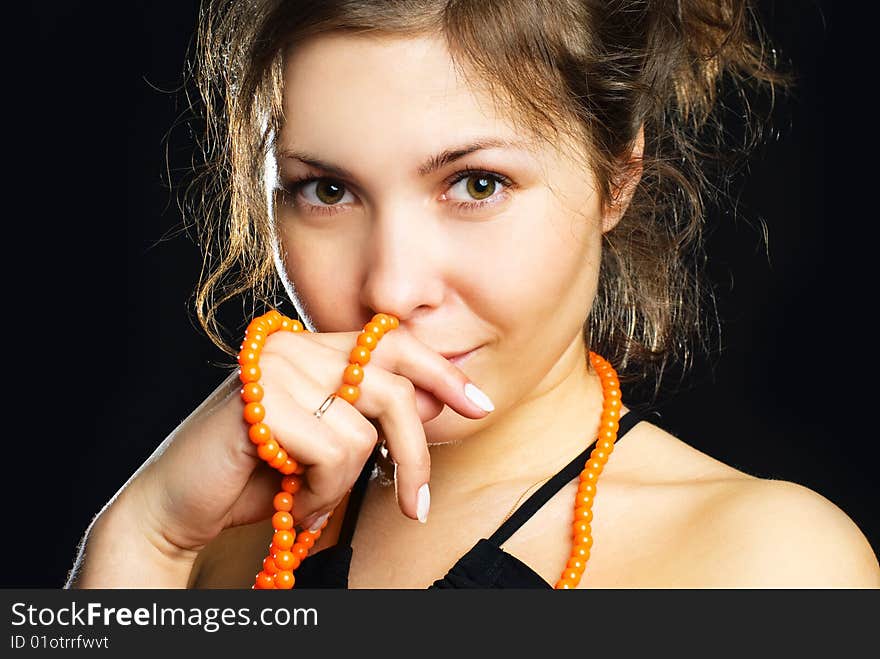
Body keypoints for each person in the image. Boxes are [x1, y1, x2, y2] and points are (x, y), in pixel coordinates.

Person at [66, 0, 878, 589]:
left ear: (616, 178)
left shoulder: (768, 562)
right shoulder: (214, 534)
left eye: (476, 183)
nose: (390, 285)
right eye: (325, 192)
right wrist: (139, 538)